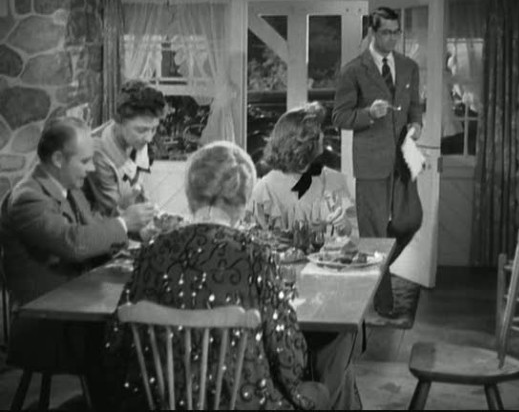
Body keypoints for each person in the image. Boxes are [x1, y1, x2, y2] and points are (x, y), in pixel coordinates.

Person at [104, 141, 330, 410]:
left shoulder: (152, 251)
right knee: (320, 391)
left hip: (161, 401)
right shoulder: (255, 253)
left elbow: (116, 341)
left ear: (190, 192)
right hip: (242, 400)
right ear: (243, 199)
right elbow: (288, 357)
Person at [0, 116, 153, 409]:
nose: (92, 168)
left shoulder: (71, 191)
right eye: (85, 161)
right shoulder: (28, 199)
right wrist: (123, 223)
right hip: (45, 326)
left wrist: (136, 233)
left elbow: (94, 228)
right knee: (131, 338)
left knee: (138, 327)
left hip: (76, 309)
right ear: (58, 159)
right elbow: (74, 243)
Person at [247, 103, 362, 410]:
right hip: (279, 299)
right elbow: (252, 243)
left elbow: (351, 240)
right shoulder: (264, 188)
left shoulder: (332, 180)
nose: (321, 145)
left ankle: (326, 398)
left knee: (340, 337)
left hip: (326, 292)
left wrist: (340, 225)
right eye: (315, 140)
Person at [332, 6, 423, 324]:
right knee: (372, 235)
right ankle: (382, 302)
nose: (392, 38)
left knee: (410, 220)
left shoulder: (409, 67)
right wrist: (369, 114)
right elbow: (339, 116)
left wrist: (416, 126)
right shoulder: (354, 70)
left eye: (396, 32)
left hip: (403, 158)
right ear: (373, 32)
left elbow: (415, 108)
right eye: (386, 32)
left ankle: (370, 272)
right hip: (370, 162)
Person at [249, 102, 352, 235]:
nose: (322, 136)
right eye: (317, 133)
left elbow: (349, 236)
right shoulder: (265, 189)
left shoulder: (330, 179)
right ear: (300, 142)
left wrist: (344, 225)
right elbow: (253, 239)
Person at [87, 79, 166, 217]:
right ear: (119, 120)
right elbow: (111, 212)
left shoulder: (136, 141)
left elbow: (136, 188)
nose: (149, 138)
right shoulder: (97, 152)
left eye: (154, 129)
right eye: (141, 130)